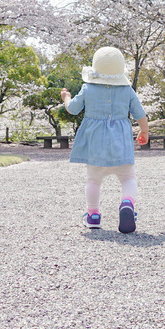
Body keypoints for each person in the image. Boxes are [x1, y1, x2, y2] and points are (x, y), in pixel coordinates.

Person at [60, 47, 149, 234]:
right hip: (121, 146)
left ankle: (93, 216)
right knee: (128, 178)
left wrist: (66, 98)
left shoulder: (88, 88)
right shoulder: (127, 90)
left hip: (96, 147)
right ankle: (127, 203)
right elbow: (140, 114)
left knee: (93, 181)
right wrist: (144, 131)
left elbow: (73, 109)